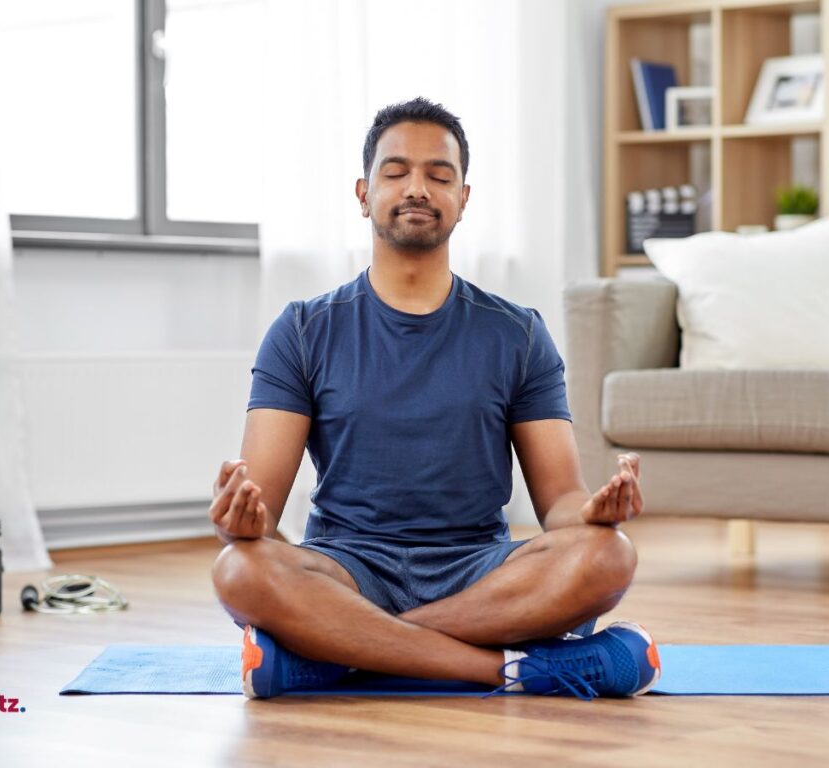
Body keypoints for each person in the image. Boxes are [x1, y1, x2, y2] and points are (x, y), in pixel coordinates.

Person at [210, 97, 659, 699]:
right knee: (240, 568)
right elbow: (260, 514)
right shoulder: (302, 330)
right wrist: (240, 516)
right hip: (347, 568)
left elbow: (560, 502)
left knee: (609, 556)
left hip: (478, 571)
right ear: (364, 193)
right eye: (395, 172)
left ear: (463, 199)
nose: (416, 188)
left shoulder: (518, 333)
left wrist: (594, 515)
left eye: (438, 175)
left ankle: (337, 654)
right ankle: (519, 668)